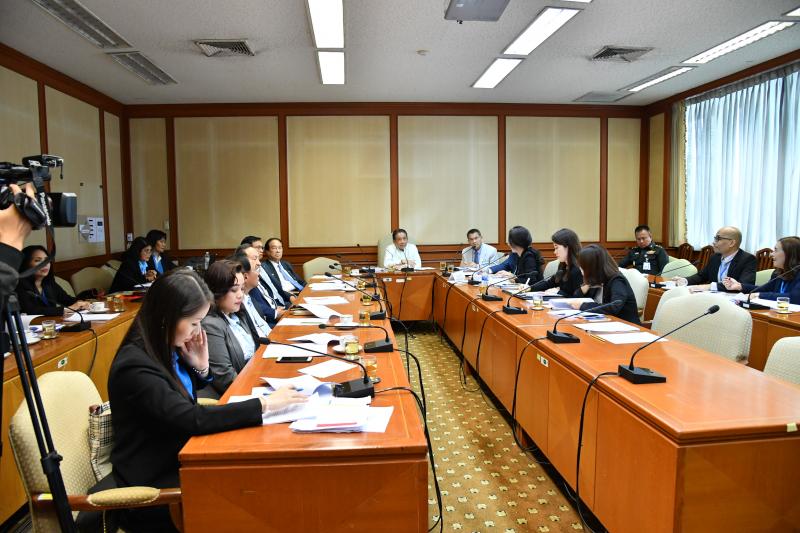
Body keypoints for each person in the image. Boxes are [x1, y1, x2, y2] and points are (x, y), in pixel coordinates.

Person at [108, 269, 305, 532]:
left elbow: (183, 396)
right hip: (157, 483)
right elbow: (189, 417)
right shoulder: (135, 366)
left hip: (182, 455)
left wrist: (200, 368)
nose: (197, 332)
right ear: (166, 317)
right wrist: (265, 404)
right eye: (193, 323)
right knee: (255, 492)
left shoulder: (163, 346)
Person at [201, 260, 259, 398]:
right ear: (216, 291)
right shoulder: (211, 325)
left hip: (253, 380)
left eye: (242, 289)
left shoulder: (237, 314)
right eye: (234, 290)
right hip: (237, 394)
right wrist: (260, 394)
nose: (240, 295)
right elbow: (225, 378)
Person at [572, 244, 640, 324]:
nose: (581, 269)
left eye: (583, 267)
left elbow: (614, 306)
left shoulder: (617, 280)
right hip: (602, 323)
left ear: (593, 267)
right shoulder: (597, 279)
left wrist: (583, 306)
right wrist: (583, 289)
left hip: (626, 326)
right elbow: (576, 299)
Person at [674, 226, 756, 291]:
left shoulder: (748, 259)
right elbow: (701, 276)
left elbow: (743, 285)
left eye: (718, 239)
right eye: (715, 238)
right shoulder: (715, 257)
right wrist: (685, 281)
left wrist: (710, 286)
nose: (713, 242)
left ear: (732, 243)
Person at [723, 236, 800, 304]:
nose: (771, 254)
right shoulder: (778, 273)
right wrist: (739, 286)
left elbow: (795, 298)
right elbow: (765, 289)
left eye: (776, 250)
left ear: (790, 254)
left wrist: (759, 295)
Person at [16, 245, 90, 315]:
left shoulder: (49, 283)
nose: (45, 264)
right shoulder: (19, 285)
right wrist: (67, 309)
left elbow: (67, 300)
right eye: (38, 260)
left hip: (52, 323)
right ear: (26, 264)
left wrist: (81, 303)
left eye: (47, 260)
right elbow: (32, 310)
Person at [238, 243, 284, 328]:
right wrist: (275, 313)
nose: (259, 263)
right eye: (255, 258)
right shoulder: (246, 286)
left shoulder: (253, 279)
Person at [531, 228, 583, 297]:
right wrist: (529, 288)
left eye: (556, 247)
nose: (555, 252)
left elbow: (577, 298)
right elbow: (549, 283)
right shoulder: (563, 266)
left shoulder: (578, 269)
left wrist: (558, 292)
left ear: (568, 247)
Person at [231, 251, 272, 337]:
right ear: (245, 276)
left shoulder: (250, 298)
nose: (259, 274)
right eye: (256, 270)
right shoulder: (237, 305)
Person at [262, 237, 306, 302]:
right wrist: (291, 297)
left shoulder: (285, 264)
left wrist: (308, 288)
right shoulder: (264, 268)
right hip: (286, 298)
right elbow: (275, 289)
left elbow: (300, 281)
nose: (278, 251)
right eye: (274, 248)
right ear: (267, 251)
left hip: (299, 293)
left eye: (280, 248)